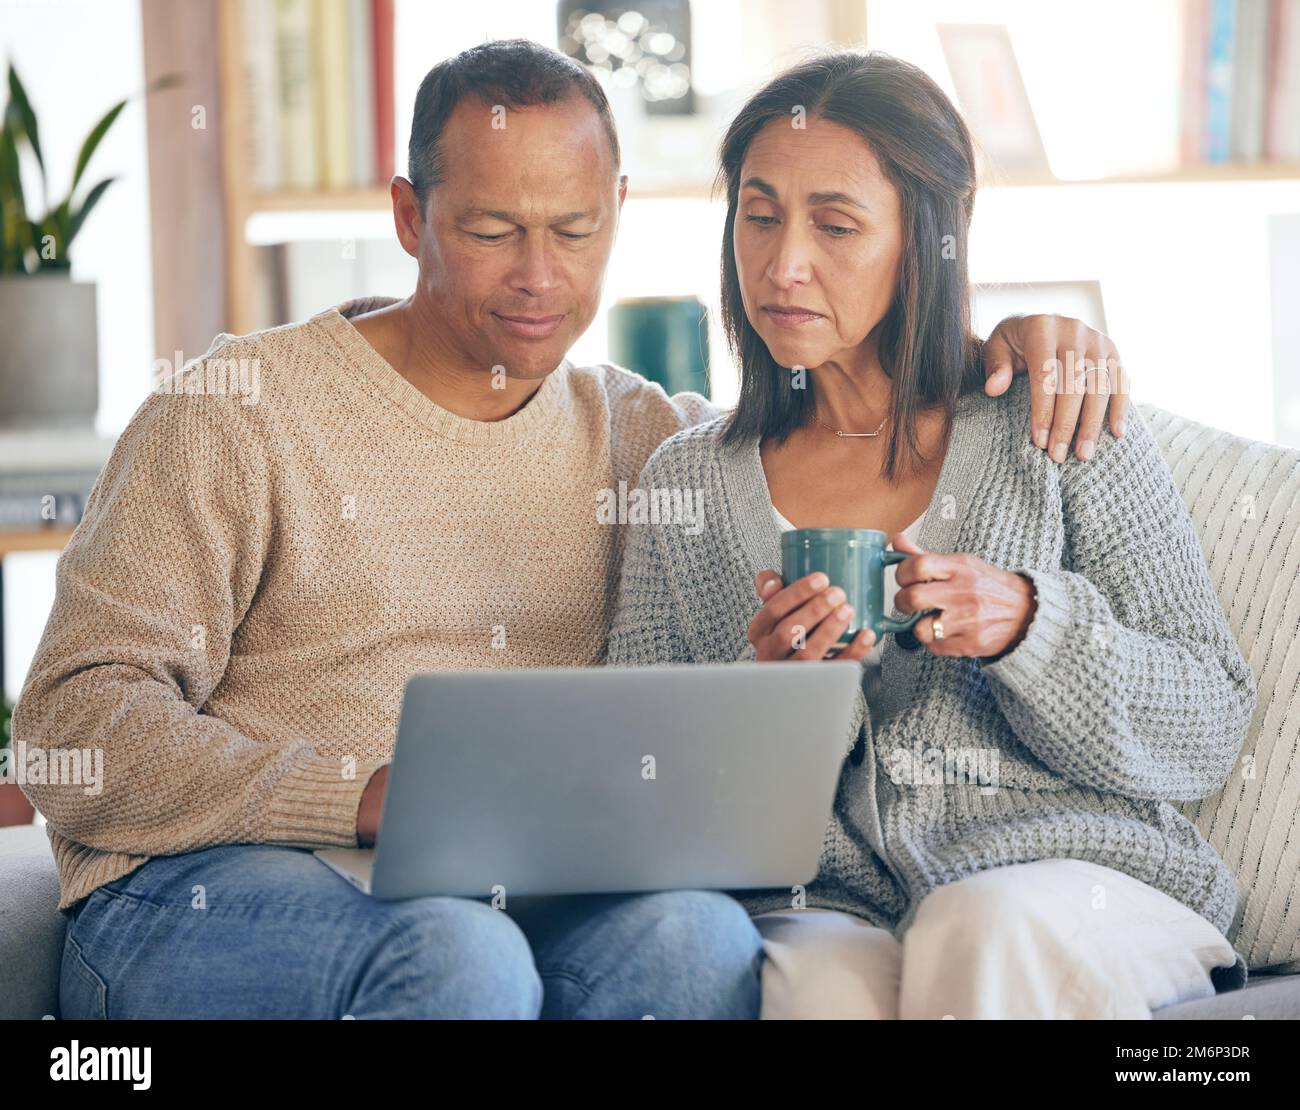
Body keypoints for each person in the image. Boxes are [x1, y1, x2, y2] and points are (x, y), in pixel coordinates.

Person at [18, 40, 1130, 1020]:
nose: (539, 279)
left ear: (621, 216)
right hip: (210, 893)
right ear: (410, 217)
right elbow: (71, 724)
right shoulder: (237, 410)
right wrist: (357, 795)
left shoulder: (638, 435)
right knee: (457, 955)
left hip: (500, 895)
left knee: (694, 935)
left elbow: (836, 419)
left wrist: (1017, 341)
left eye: (574, 230)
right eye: (493, 230)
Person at [606, 50, 1257, 1019]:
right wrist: (767, 711)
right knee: (807, 983)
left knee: (974, 924)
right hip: (838, 903)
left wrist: (1032, 628)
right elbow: (632, 782)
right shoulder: (687, 484)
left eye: (835, 224)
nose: (783, 263)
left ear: (926, 241)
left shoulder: (1056, 424)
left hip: (1077, 881)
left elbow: (1205, 723)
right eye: (757, 213)